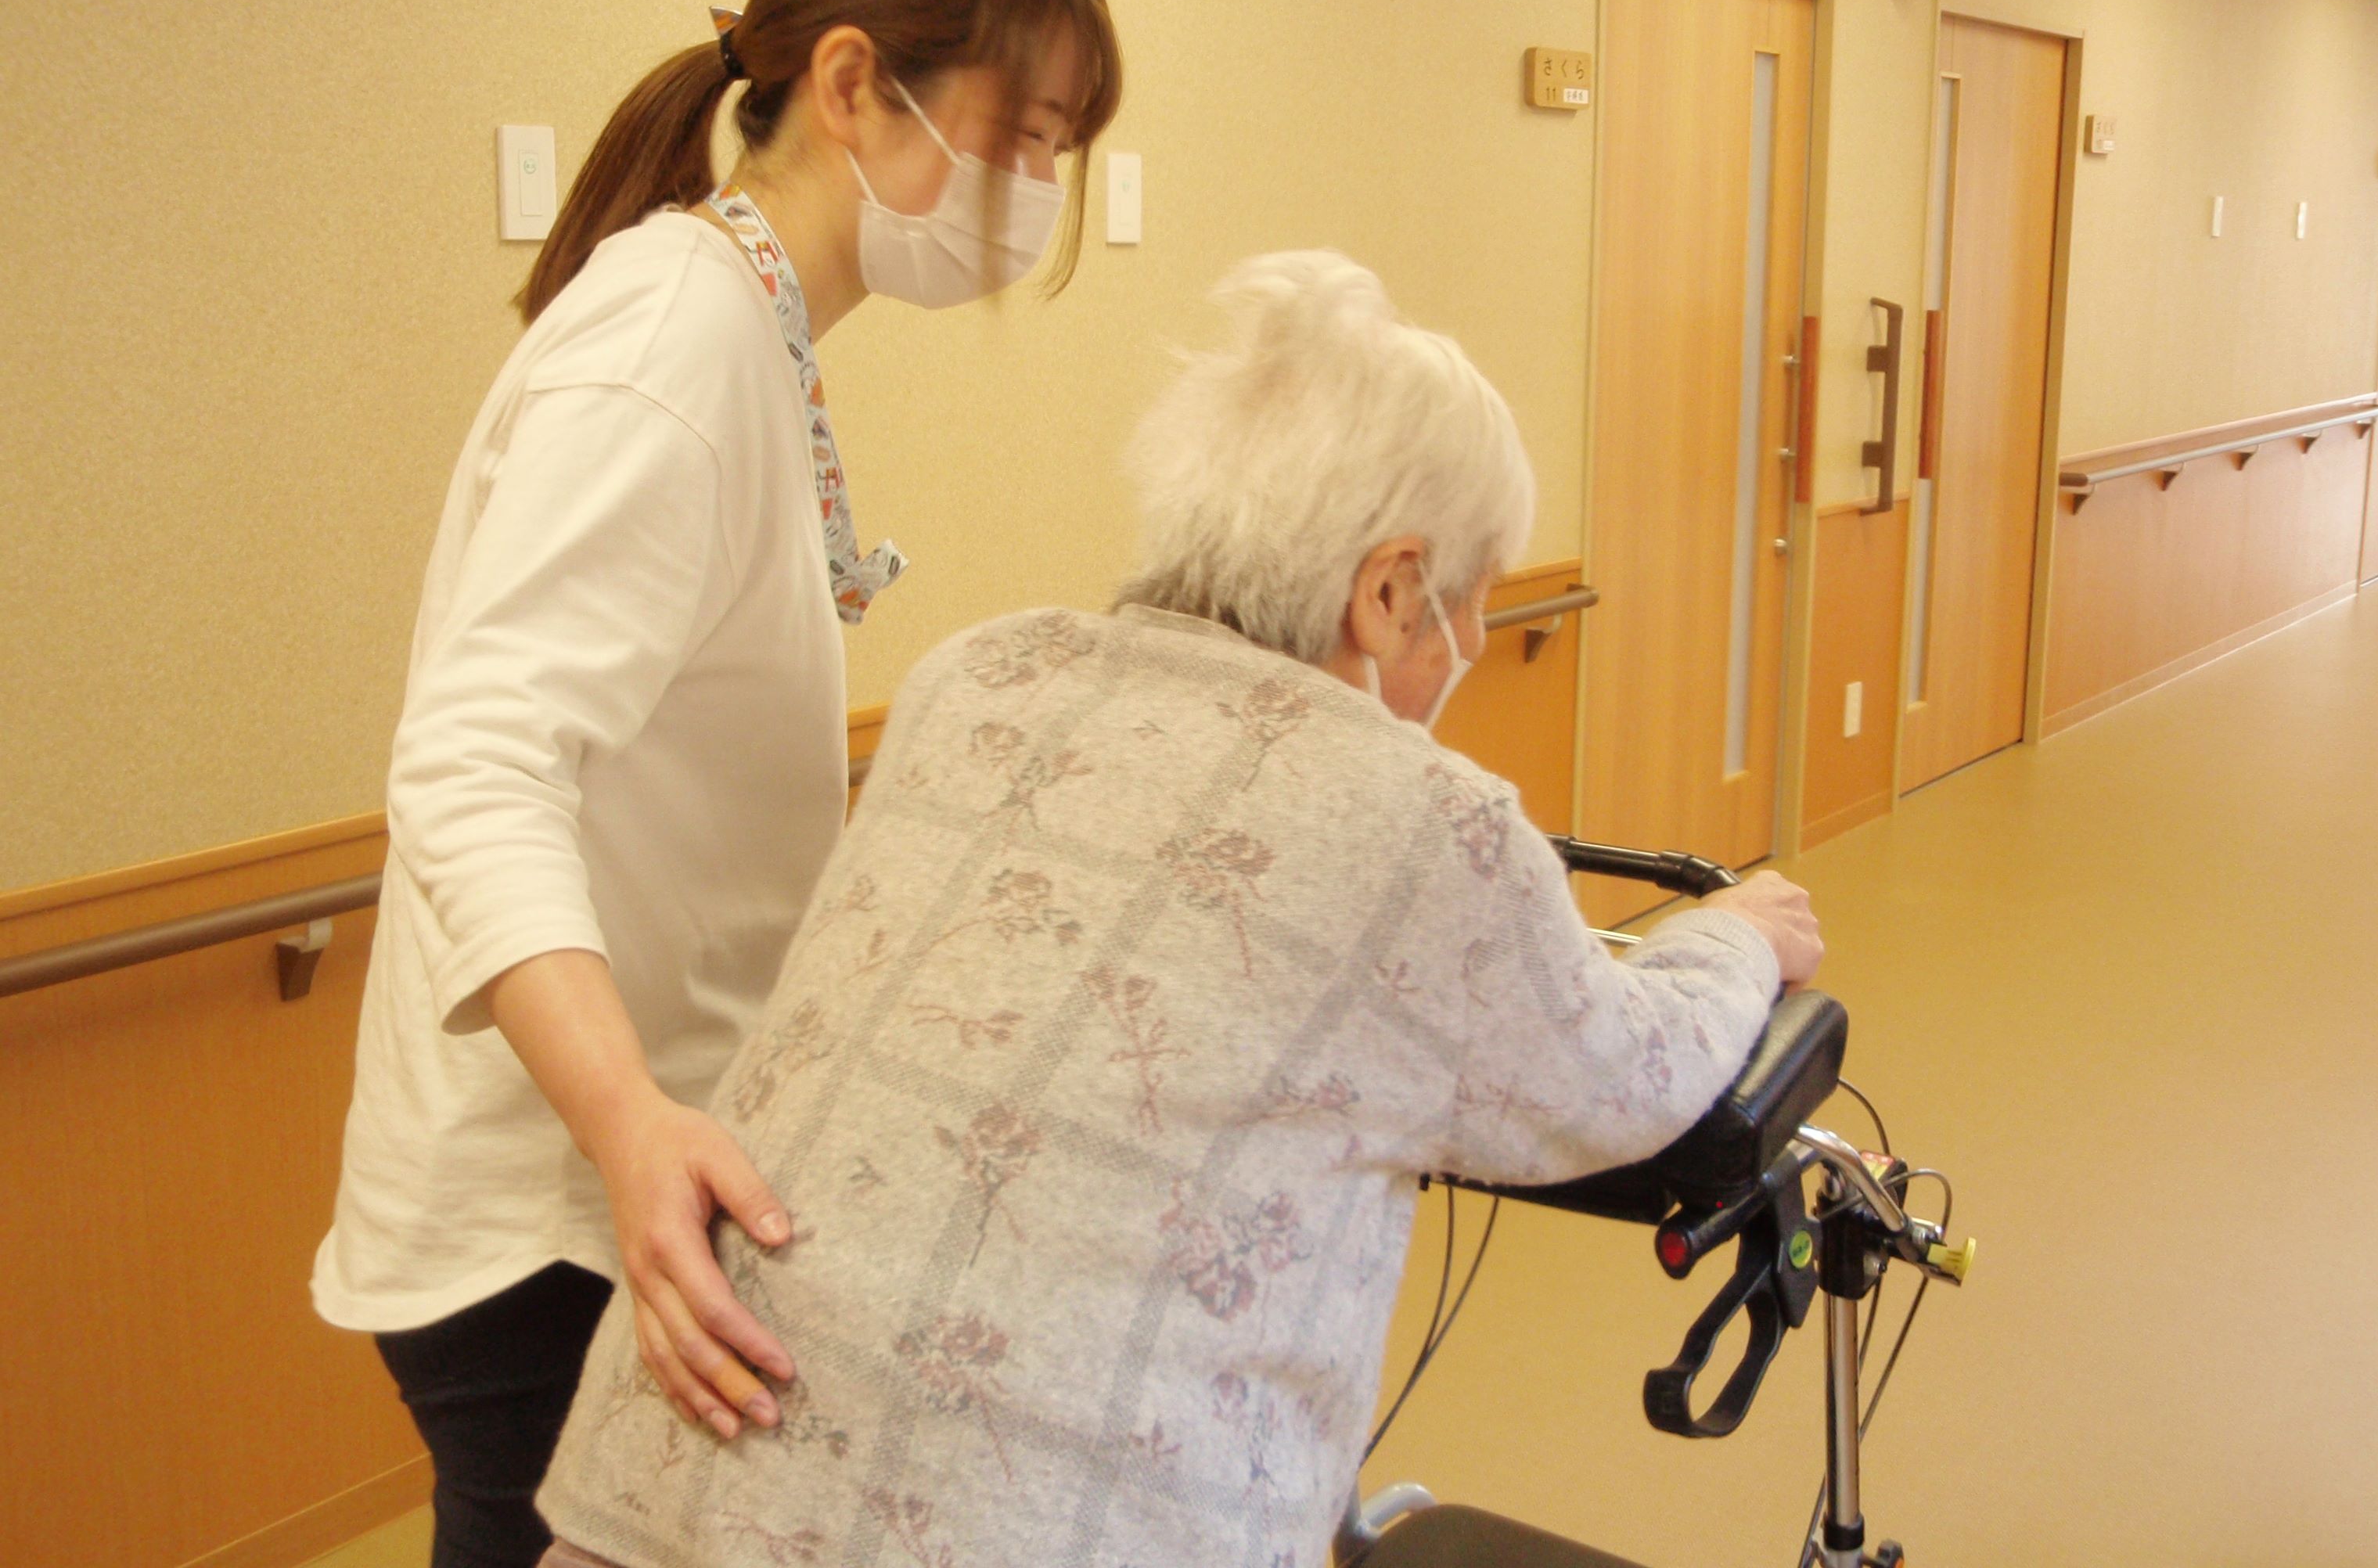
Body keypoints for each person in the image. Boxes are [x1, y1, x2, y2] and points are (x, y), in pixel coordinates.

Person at [531, 251, 1822, 1568]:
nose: (1480, 640)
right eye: (1475, 596)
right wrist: (1732, 935)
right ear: (1390, 591)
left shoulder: (976, 675)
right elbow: (1627, 1077)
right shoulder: (1427, 815)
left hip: (657, 1486)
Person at [310, 0, 1122, 1568]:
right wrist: (629, 1124)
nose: (1044, 190)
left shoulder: (747, 325)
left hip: (621, 1181)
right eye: (1027, 134)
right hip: (554, 1217)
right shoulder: (672, 338)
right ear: (853, 83)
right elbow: (473, 765)